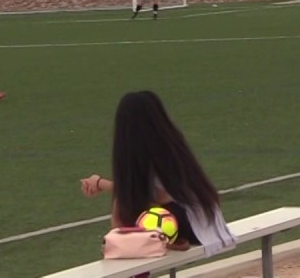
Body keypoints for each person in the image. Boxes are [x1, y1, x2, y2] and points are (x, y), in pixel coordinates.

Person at [80, 91, 235, 255]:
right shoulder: (169, 140)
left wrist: (100, 183)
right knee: (125, 200)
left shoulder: (148, 151)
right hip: (202, 218)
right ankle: (125, 248)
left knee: (124, 205)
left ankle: (125, 252)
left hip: (190, 224)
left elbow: (157, 195)